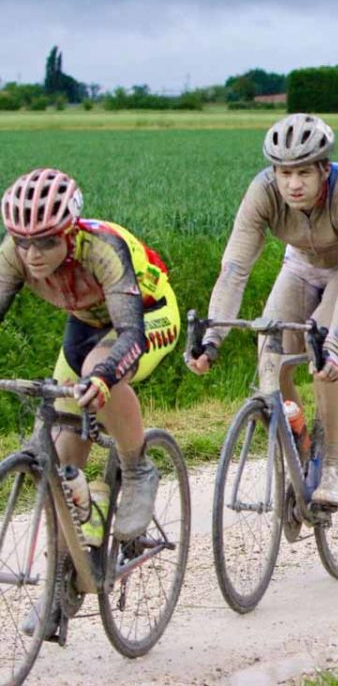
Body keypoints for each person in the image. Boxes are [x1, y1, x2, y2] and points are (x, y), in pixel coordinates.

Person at [1, 169, 177, 636]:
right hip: (83, 322)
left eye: (44, 243)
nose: (32, 255)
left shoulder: (102, 249)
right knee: (61, 458)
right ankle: (66, 572)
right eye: (22, 243)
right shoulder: (14, 254)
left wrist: (102, 377)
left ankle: (137, 467)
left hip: (146, 314)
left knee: (100, 371)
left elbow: (130, 334)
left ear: (69, 234)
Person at [186, 113, 338, 505]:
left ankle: (336, 462)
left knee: (324, 353)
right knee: (270, 346)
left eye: (304, 172)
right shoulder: (262, 192)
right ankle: (300, 440)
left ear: (324, 169)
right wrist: (212, 338)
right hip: (302, 261)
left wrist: (334, 346)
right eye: (284, 172)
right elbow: (235, 268)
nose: (293, 183)